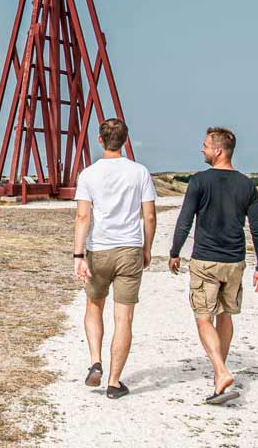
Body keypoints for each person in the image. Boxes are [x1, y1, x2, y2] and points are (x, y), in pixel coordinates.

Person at [168, 126, 258, 405]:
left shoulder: (199, 181)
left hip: (205, 261)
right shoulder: (246, 184)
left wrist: (174, 251)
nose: (202, 149)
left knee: (203, 317)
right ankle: (218, 379)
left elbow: (185, 219)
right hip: (234, 262)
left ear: (218, 150)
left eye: (205, 145)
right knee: (225, 316)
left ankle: (222, 371)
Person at [72, 118, 157, 399]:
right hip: (129, 248)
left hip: (99, 249)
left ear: (100, 140)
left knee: (94, 306)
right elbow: (149, 215)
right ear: (125, 140)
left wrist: (78, 255)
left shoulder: (88, 174)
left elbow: (83, 216)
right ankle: (114, 381)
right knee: (124, 318)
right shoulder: (139, 172)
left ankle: (95, 360)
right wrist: (147, 249)